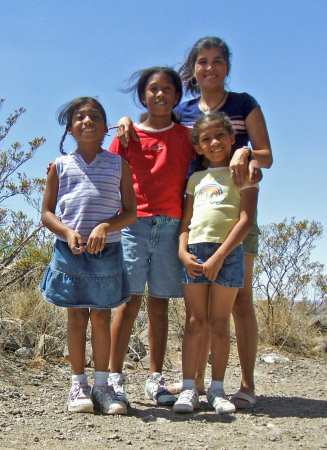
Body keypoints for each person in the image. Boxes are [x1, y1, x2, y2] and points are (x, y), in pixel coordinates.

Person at [115, 36, 272, 408]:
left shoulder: (243, 104)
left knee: (240, 301)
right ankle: (197, 384)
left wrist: (246, 150)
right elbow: (155, 126)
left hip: (234, 211)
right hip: (192, 213)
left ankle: (245, 385)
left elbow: (265, 155)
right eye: (203, 61)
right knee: (196, 309)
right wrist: (126, 120)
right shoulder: (185, 110)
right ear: (194, 68)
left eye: (218, 61)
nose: (211, 67)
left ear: (227, 67)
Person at [39, 97, 136, 415]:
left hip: (107, 253)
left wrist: (106, 227)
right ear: (70, 128)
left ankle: (103, 386)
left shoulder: (119, 165)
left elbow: (131, 212)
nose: (88, 120)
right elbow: (47, 213)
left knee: (102, 316)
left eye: (95, 115)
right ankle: (78, 385)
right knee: (77, 316)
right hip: (71, 253)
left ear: (105, 126)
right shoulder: (60, 166)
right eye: (80, 117)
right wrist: (67, 232)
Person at [108, 67, 194, 409]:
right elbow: (105, 168)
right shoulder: (127, 135)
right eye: (153, 89)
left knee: (160, 304)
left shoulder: (186, 136)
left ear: (177, 95)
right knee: (128, 302)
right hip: (134, 224)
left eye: (168, 89)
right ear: (143, 95)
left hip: (171, 225)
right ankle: (112, 378)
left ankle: (155, 380)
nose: (160, 94)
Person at [173, 112, 258, 414]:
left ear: (233, 138)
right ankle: (187, 389)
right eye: (206, 139)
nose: (214, 142)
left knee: (220, 323)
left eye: (220, 136)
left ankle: (217, 390)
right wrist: (183, 253)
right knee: (196, 321)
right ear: (197, 147)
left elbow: (246, 220)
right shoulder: (195, 179)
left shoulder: (244, 173)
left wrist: (220, 255)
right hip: (195, 252)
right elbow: (185, 222)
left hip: (229, 254)